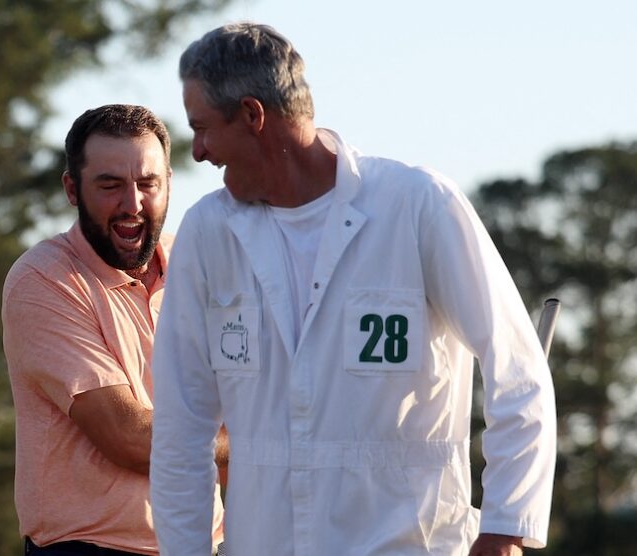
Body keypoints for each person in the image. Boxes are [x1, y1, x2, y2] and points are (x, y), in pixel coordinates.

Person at [149, 23, 556, 556]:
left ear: (253, 115)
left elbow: (520, 371)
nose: (198, 152)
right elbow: (181, 429)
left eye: (203, 128)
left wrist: (504, 528)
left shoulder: (418, 206)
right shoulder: (207, 232)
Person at [2, 104, 226, 556]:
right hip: (88, 548)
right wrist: (264, 440)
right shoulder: (42, 280)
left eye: (148, 184)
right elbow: (128, 437)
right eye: (110, 185)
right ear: (72, 189)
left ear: (168, 184)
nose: (133, 204)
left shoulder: (198, 266)